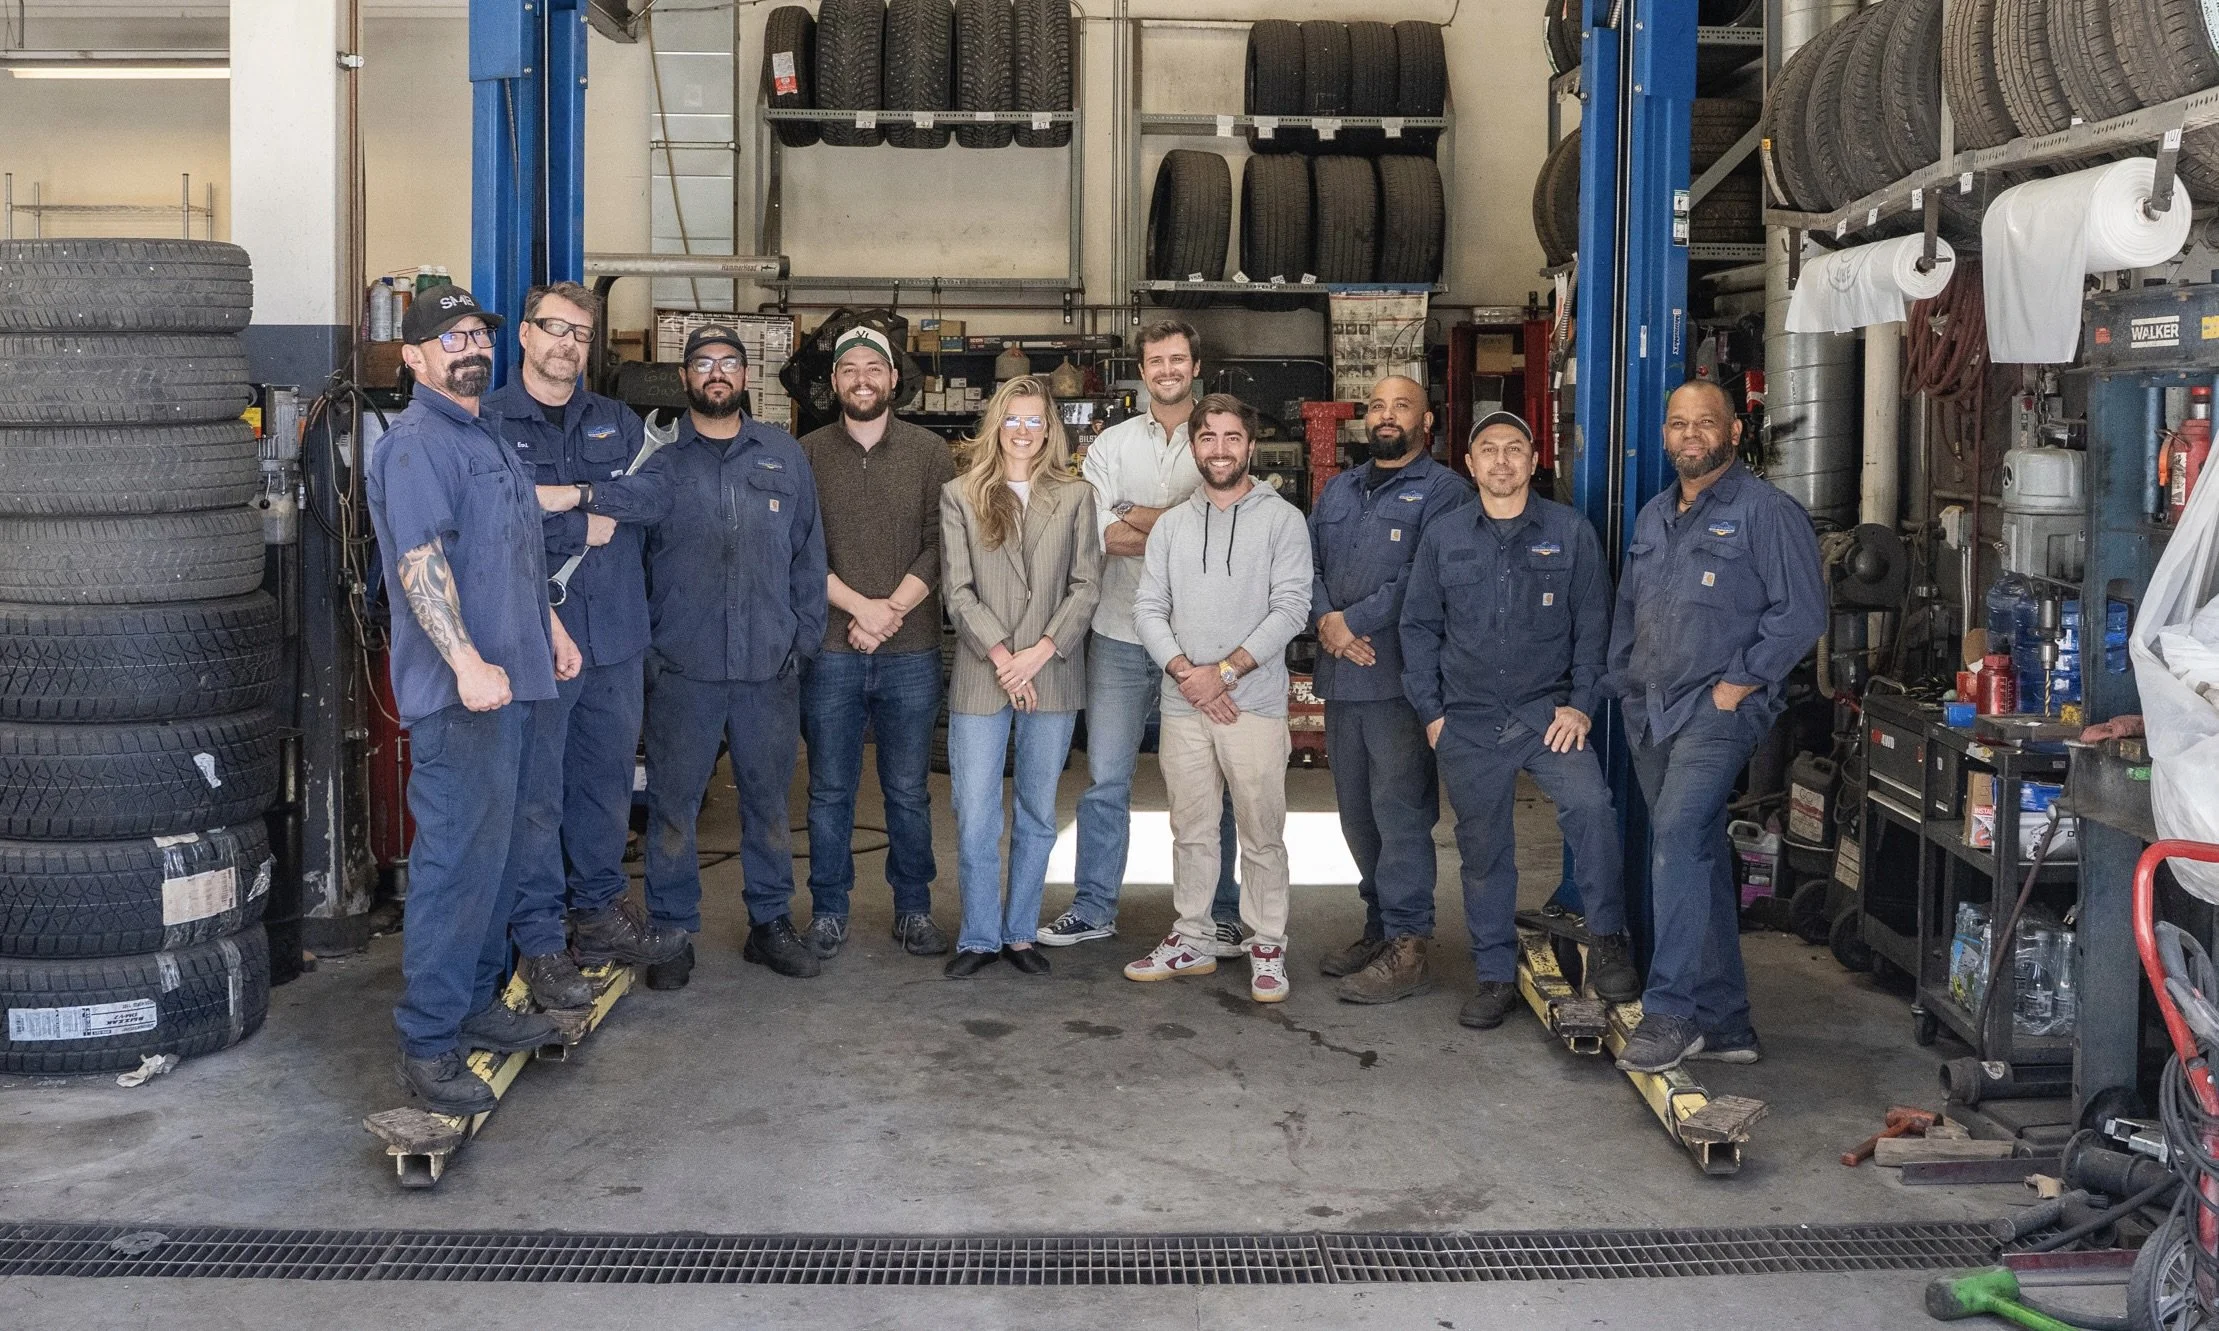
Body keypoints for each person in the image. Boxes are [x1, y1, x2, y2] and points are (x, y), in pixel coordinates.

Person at [366, 284, 583, 1114]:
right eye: (449, 337)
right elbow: (422, 563)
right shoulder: (418, 443)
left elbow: (510, 552)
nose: (469, 347)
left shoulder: (484, 431)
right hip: (466, 698)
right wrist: (463, 662)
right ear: (413, 357)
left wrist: (547, 631)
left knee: (497, 861)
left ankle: (477, 1006)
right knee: (456, 866)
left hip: (519, 679)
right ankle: (428, 1040)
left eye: (476, 334)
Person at [1607, 379, 1826, 1072]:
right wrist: (1621, 680)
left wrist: (1737, 685)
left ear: (1733, 432)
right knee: (1690, 850)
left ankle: (1670, 1011)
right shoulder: (1651, 516)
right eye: (1677, 423)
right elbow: (1627, 608)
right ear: (1665, 435)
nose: (1690, 433)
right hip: (1649, 707)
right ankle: (1728, 1022)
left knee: (1674, 838)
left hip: (1716, 708)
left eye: (1705, 422)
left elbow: (1800, 613)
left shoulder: (1766, 512)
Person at [484, 282, 688, 1012]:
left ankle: (597, 917)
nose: (567, 343)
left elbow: (658, 495)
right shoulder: (490, 423)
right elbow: (495, 521)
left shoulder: (619, 421)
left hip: (615, 638)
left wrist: (569, 498)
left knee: (603, 787)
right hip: (532, 639)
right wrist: (586, 516)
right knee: (537, 797)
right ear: (527, 337)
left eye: (580, 332)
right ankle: (540, 939)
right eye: (553, 328)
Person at [1400, 411, 1637, 1031]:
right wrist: (1432, 714)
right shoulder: (1445, 536)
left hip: (1546, 714)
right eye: (1488, 450)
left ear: (1535, 462)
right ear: (1470, 464)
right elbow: (1418, 628)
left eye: (1514, 449)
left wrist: (1582, 703)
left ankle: (1608, 935)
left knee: (1592, 809)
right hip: (1469, 722)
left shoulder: (1570, 532)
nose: (1501, 461)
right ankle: (1494, 974)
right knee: (1483, 852)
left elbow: (1595, 627)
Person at [638, 325, 828, 986]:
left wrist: (799, 640)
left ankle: (770, 922)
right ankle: (668, 928)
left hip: (765, 670)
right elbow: (633, 565)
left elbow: (809, 555)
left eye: (727, 363)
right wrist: (649, 651)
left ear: (745, 376)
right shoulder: (658, 462)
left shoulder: (781, 454)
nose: (715, 373)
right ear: (685, 377)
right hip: (682, 670)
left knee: (769, 801)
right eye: (702, 364)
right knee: (671, 805)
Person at [1050, 320, 1243, 952]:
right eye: (1156, 360)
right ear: (1143, 367)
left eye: (1178, 359)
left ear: (1194, 366)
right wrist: (1182, 526)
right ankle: (1094, 906)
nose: (1167, 369)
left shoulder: (1216, 439)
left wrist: (1135, 512)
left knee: (1210, 783)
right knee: (1106, 780)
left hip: (1200, 645)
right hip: (1119, 635)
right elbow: (1099, 534)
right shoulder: (1110, 444)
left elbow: (1223, 520)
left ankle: (1219, 911)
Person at [1125, 394, 1312, 1003]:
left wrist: (1224, 674)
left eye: (1233, 437)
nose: (1221, 449)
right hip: (1184, 705)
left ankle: (1267, 944)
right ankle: (1193, 936)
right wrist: (1188, 675)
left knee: (1262, 830)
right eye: (1209, 438)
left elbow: (1291, 608)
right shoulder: (1174, 526)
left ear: (1250, 446)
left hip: (1251, 703)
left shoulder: (1283, 520)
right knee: (1192, 828)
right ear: (1194, 446)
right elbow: (1148, 608)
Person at [1308, 375, 1471, 1004]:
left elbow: (1422, 578)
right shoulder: (1340, 489)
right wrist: (1327, 622)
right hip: (1343, 678)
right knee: (1355, 817)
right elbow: (1310, 564)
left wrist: (1353, 622)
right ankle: (1378, 927)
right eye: (1377, 405)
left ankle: (1409, 944)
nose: (1386, 416)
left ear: (1426, 422)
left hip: (1401, 680)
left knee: (1401, 814)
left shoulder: (1446, 493)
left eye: (1401, 406)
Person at [797, 326, 955, 961]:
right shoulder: (804, 453)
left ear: (894, 380)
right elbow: (800, 549)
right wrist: (860, 608)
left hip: (911, 650)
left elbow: (940, 541)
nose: (862, 379)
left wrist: (889, 612)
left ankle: (914, 908)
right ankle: (830, 909)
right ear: (833, 383)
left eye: (874, 368)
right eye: (849, 370)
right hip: (832, 650)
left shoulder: (930, 452)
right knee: (829, 790)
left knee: (908, 790)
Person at [938, 376, 1103, 978]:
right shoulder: (961, 494)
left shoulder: (1077, 496)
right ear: (996, 424)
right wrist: (1007, 659)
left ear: (1050, 428)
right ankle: (979, 935)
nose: (1024, 431)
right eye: (1014, 419)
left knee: (1037, 809)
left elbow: (1086, 586)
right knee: (976, 811)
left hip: (1051, 675)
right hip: (985, 676)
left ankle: (1019, 932)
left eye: (1036, 420)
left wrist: (1039, 654)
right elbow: (957, 591)